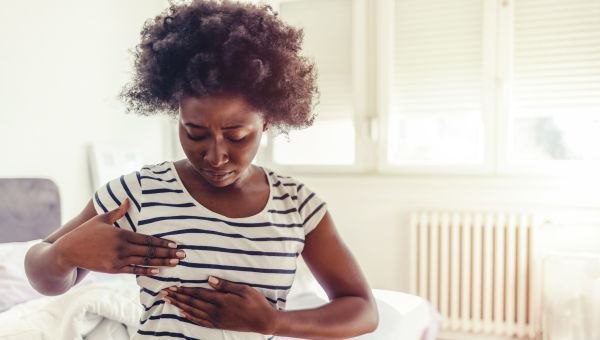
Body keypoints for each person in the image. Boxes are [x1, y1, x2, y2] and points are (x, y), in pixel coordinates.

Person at [24, 0, 378, 339]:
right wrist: (63, 253)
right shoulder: (138, 193)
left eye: (236, 136)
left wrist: (273, 321)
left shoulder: (297, 206)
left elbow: (362, 310)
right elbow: (42, 274)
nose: (215, 156)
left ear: (267, 121)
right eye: (195, 133)